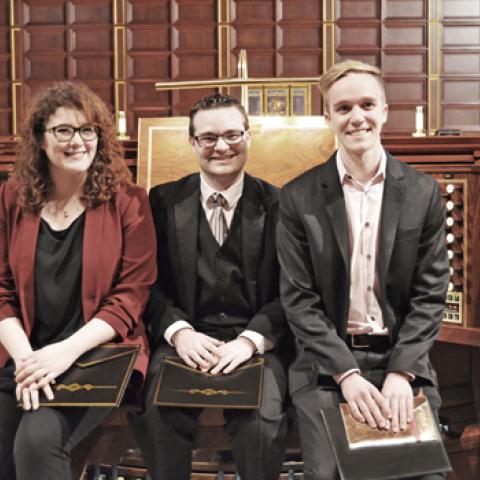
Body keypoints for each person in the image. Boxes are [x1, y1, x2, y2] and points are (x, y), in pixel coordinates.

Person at [277, 60, 450, 480]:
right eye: (343, 108)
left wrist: (400, 374)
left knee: (422, 475)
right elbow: (299, 300)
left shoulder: (423, 193)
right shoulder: (298, 196)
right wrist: (347, 375)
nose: (357, 117)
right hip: (327, 366)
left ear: (385, 111)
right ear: (329, 118)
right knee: (328, 474)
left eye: (367, 104)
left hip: (401, 360)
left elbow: (430, 297)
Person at [0, 82, 157, 480]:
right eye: (63, 130)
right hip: (25, 354)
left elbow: (130, 298)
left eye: (88, 130)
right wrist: (27, 361)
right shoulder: (13, 198)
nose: (78, 141)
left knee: (37, 442)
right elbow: (1, 290)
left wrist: (62, 354)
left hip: (95, 355)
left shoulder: (129, 201)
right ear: (40, 137)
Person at [130, 93, 288, 480]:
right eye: (208, 137)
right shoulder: (163, 201)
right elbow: (148, 283)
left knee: (260, 423)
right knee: (157, 415)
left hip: (253, 344)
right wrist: (179, 333)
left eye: (233, 135)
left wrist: (250, 341)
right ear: (192, 143)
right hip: (184, 339)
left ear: (249, 137)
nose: (221, 146)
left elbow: (293, 291)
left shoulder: (281, 204)